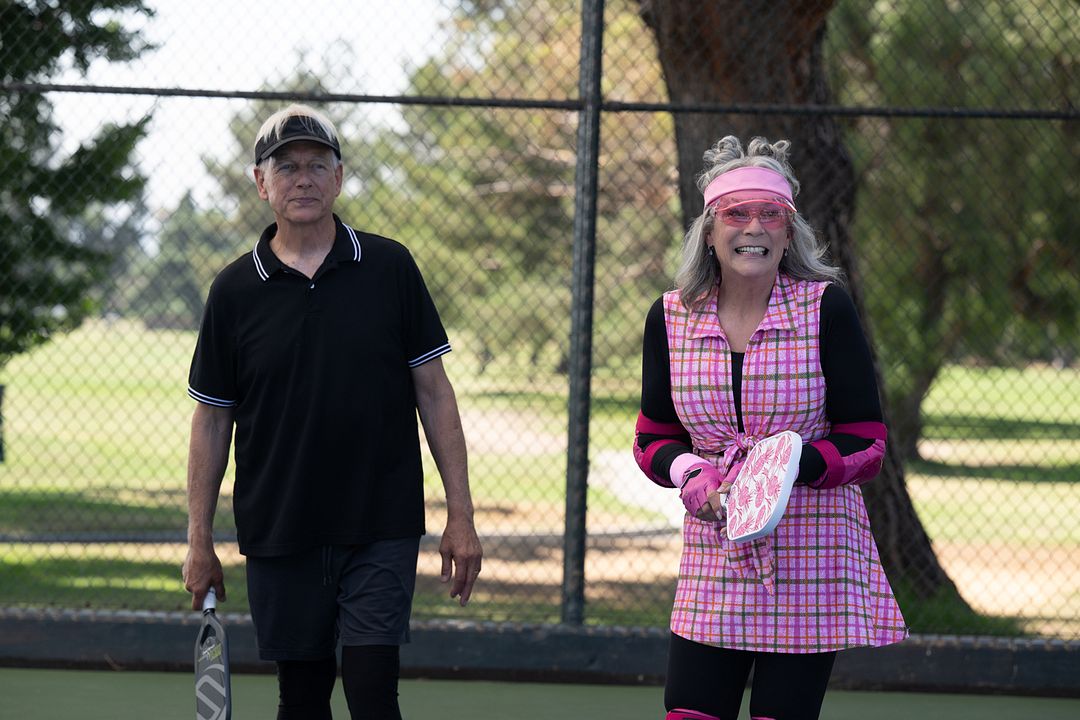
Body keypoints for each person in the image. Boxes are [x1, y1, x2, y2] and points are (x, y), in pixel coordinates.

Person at [182, 103, 483, 720]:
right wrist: (199, 539)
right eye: (286, 166)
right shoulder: (234, 292)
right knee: (303, 698)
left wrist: (461, 514)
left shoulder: (390, 267)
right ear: (261, 183)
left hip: (381, 523)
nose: (303, 179)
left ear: (339, 178)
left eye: (318, 165)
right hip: (279, 527)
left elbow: (434, 391)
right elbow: (211, 419)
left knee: (373, 692)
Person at [633, 136, 907, 720]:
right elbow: (652, 435)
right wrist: (693, 476)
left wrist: (782, 470)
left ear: (788, 233)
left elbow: (867, 441)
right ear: (710, 231)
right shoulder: (671, 315)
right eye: (737, 213)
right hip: (717, 549)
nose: (752, 226)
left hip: (813, 550)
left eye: (770, 214)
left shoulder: (824, 308)